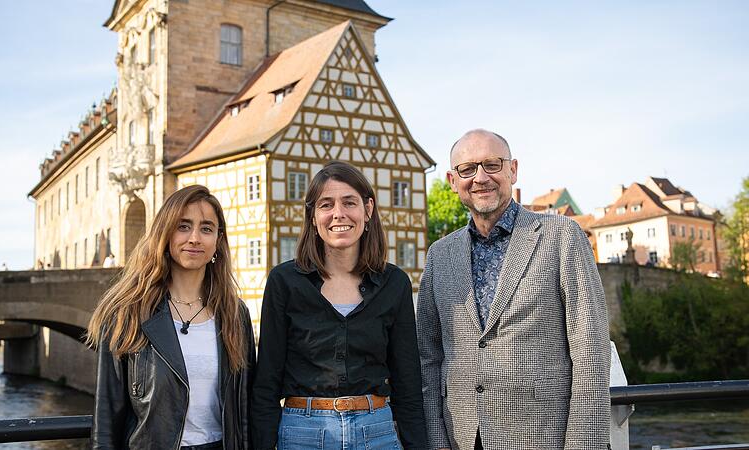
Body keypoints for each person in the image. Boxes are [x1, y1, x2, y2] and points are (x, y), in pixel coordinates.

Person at [417, 129, 610, 449]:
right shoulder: (440, 254)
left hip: (543, 436)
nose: (480, 177)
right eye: (467, 169)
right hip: (464, 437)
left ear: (513, 170)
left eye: (492, 164)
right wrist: (437, 443)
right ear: (453, 182)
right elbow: (428, 357)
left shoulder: (561, 236)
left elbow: (590, 349)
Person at [252, 161, 427, 449]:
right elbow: (266, 383)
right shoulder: (284, 282)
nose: (338, 214)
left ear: (367, 210)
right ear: (312, 216)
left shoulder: (395, 283)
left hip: (377, 433)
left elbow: (408, 383)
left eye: (349, 202)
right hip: (302, 433)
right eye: (326, 205)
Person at [86, 185, 255, 450]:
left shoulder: (235, 314)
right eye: (183, 226)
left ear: (218, 240)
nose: (195, 238)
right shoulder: (126, 312)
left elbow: (245, 411)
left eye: (207, 228)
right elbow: (107, 419)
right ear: (165, 234)